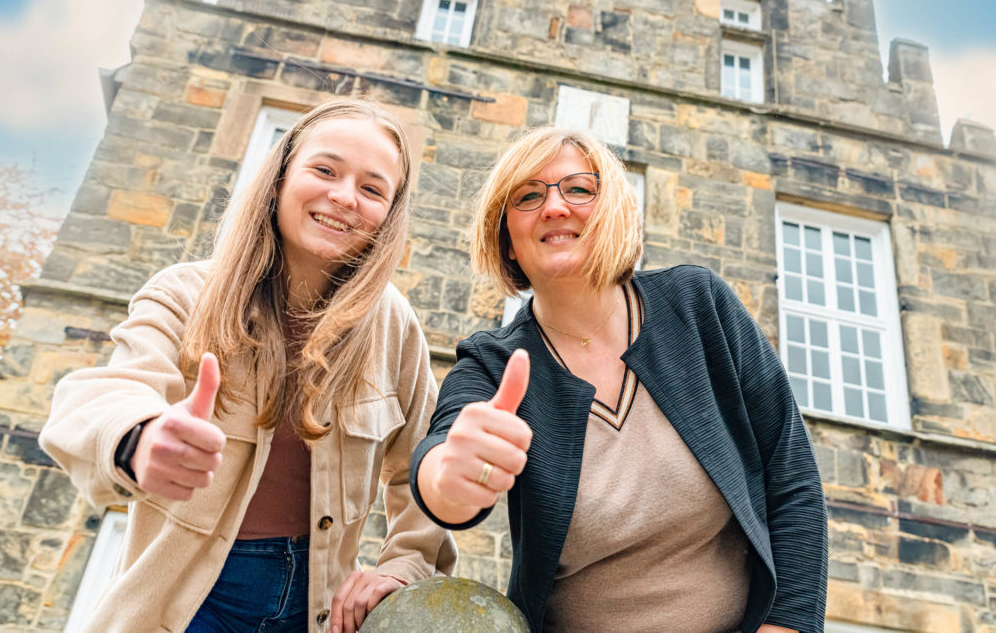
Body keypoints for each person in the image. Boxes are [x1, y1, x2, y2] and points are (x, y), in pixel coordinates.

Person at [40, 98, 456, 633]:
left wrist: (404, 564)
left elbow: (422, 465)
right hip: (187, 602)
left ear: (390, 214)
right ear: (280, 178)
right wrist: (139, 437)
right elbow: (107, 393)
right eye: (325, 170)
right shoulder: (185, 293)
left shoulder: (394, 325)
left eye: (373, 189)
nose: (345, 197)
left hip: (320, 610)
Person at [409, 126, 828, 632]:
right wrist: (450, 477)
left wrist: (787, 625)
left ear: (612, 212)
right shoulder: (492, 362)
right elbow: (442, 459)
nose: (555, 207)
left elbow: (792, 475)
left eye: (579, 188)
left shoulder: (699, 306)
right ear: (508, 243)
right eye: (528, 196)